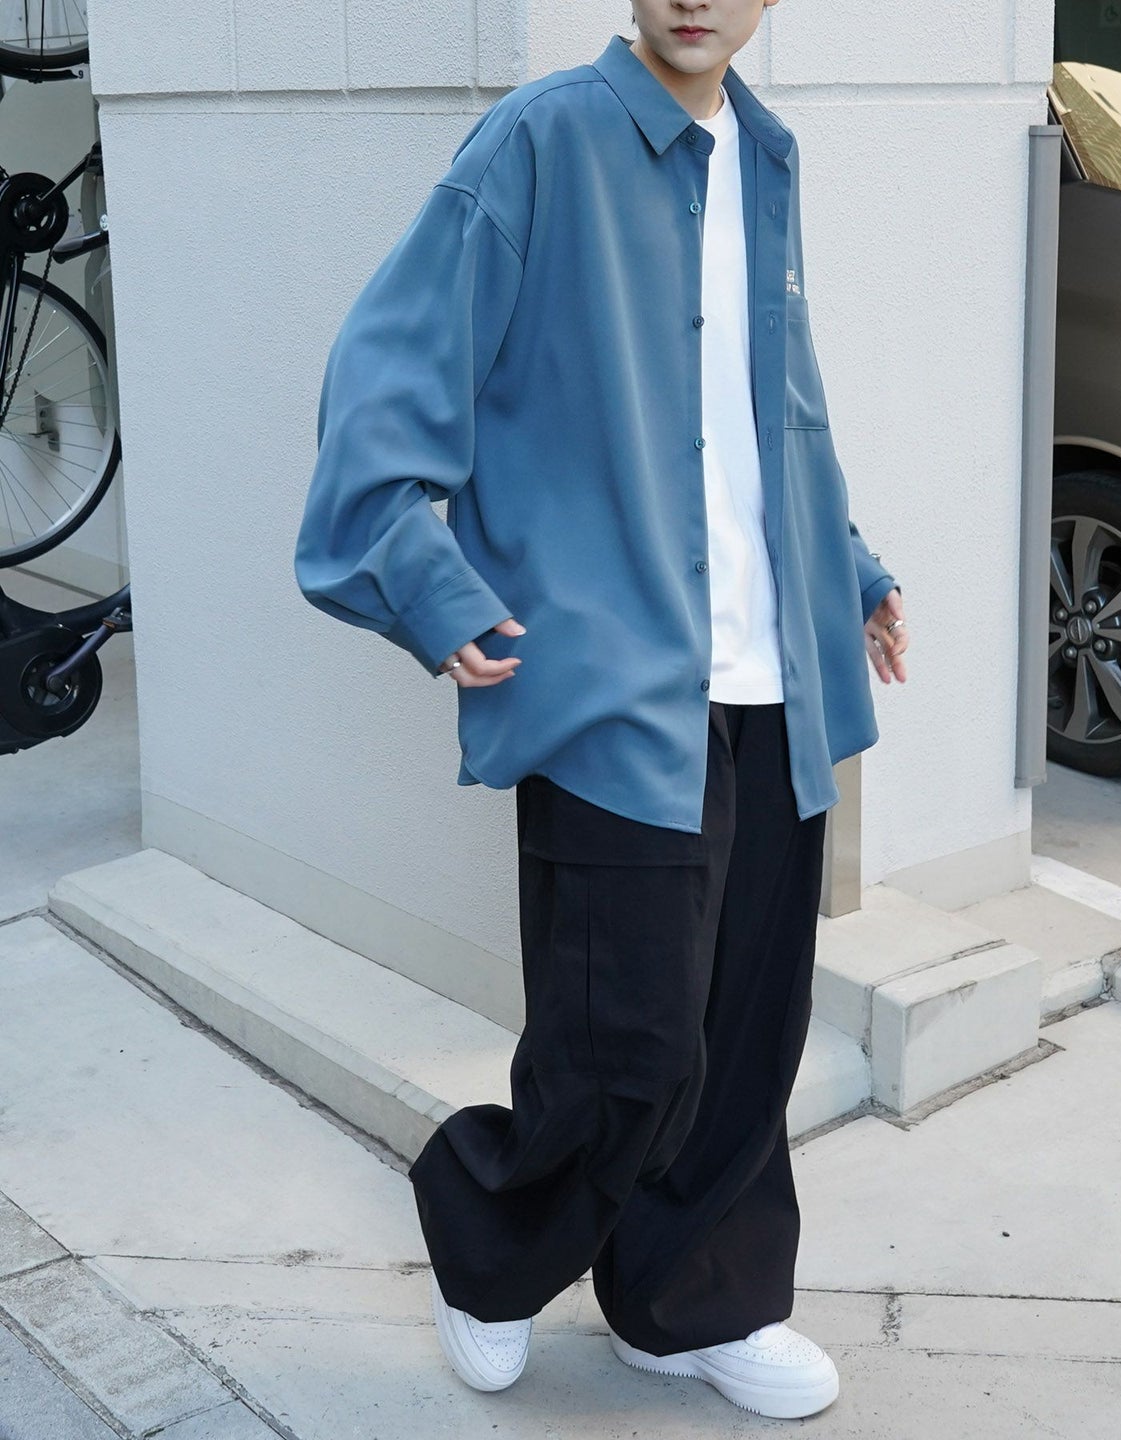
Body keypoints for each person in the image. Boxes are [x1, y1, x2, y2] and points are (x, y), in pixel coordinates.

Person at [294, 0, 909, 1421]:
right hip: (614, 682)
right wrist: (424, 581)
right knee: (625, 1044)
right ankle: (488, 1254)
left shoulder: (764, 153)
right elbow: (386, 380)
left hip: (774, 671)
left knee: (747, 1031)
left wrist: (852, 569)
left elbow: (774, 410)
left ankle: (691, 1304)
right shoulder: (540, 144)